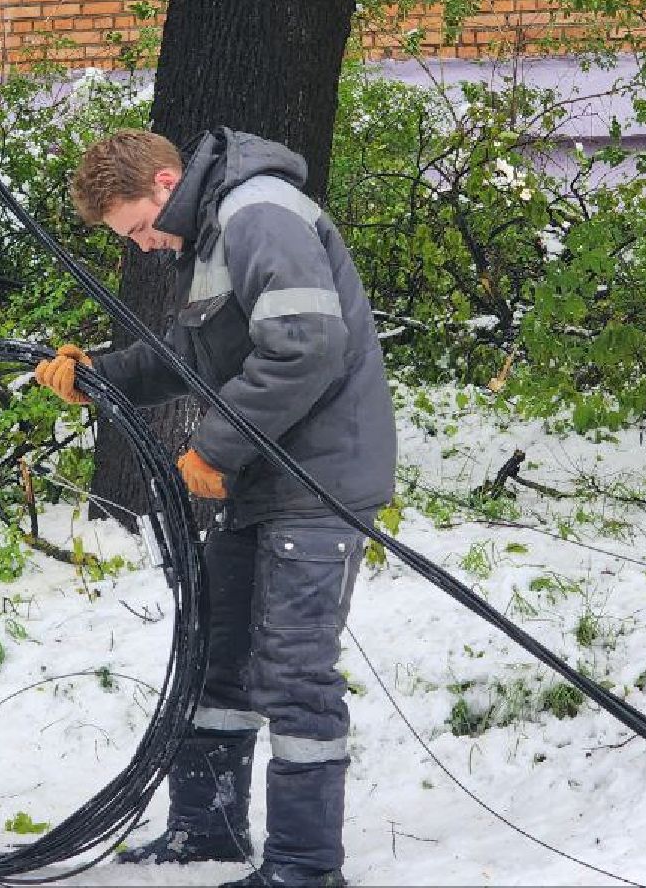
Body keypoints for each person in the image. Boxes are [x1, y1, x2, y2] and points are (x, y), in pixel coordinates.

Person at [32, 127, 397, 888]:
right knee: (217, 649)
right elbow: (189, 358)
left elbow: (304, 345)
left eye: (135, 227)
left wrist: (217, 448)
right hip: (265, 482)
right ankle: (208, 831)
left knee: (294, 675)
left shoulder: (257, 213)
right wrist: (97, 375)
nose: (140, 246)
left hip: (316, 482)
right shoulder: (212, 233)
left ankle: (303, 868)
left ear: (165, 184)